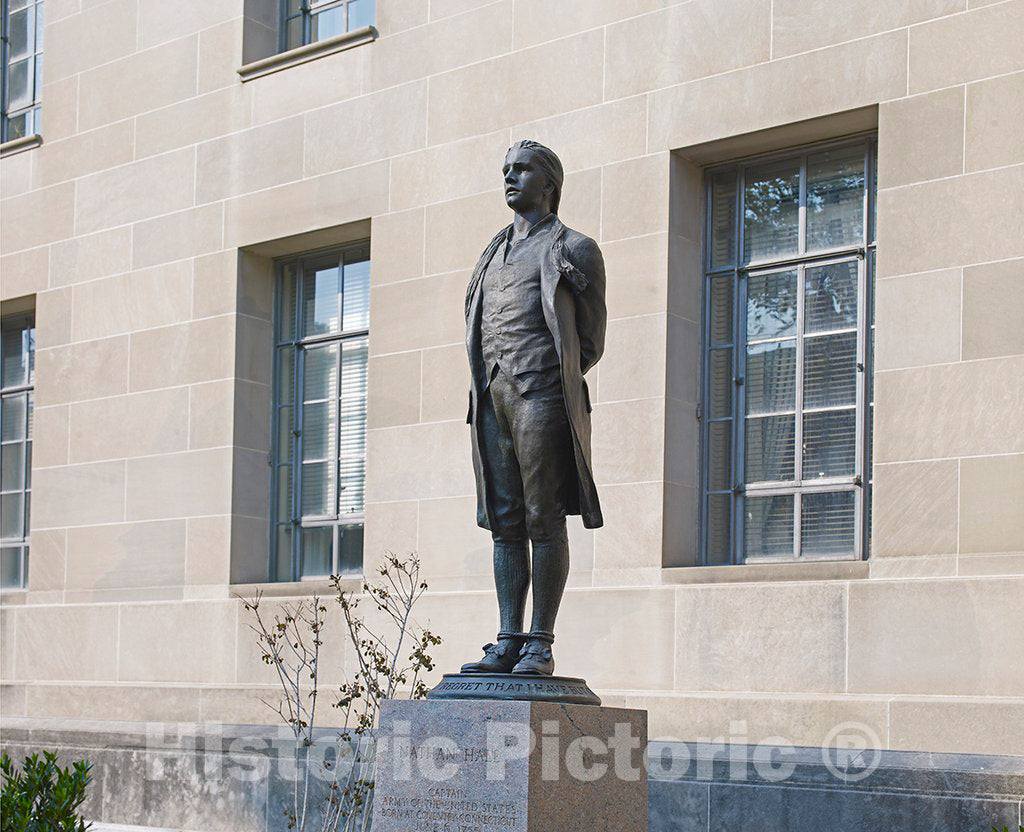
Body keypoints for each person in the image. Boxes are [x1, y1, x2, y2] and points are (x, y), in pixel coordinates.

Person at [461, 140, 607, 676]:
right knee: (506, 522)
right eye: (505, 170)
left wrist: (550, 376)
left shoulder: (575, 248)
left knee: (544, 516)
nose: (510, 177)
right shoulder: (490, 254)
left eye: (521, 169)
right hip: (491, 399)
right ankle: (508, 638)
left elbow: (590, 340)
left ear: (549, 184)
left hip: (541, 396)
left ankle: (540, 641)